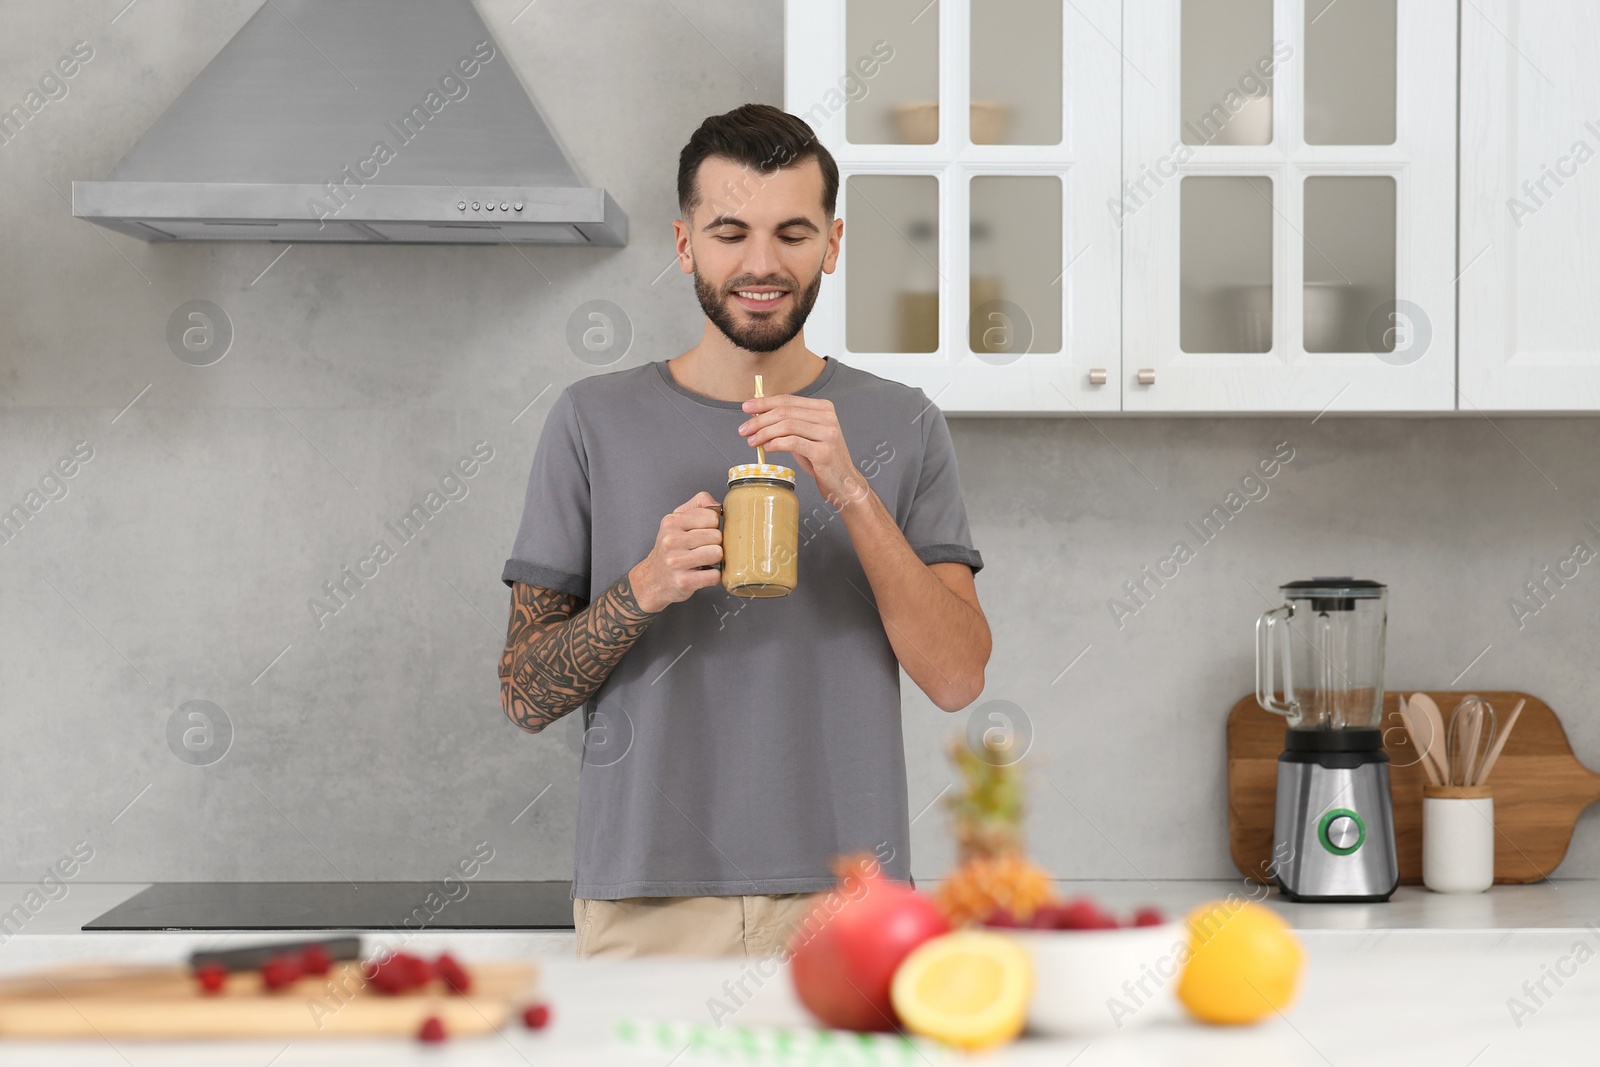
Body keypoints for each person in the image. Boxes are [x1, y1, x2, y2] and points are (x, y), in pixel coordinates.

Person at [498, 103, 991, 959]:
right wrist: (642, 587)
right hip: (647, 899)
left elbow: (955, 677)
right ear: (686, 245)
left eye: (792, 234)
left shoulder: (904, 423)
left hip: (853, 900)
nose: (761, 264)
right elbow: (524, 693)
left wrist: (851, 491)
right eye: (730, 233)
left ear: (832, 245)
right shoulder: (591, 421)